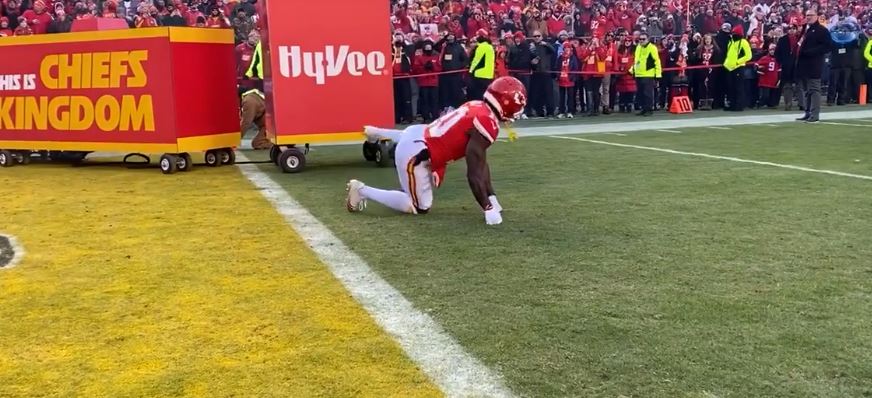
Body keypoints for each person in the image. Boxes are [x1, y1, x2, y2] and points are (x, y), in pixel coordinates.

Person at [346, 76, 528, 226]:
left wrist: (492, 198)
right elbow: (473, 172)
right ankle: (361, 190)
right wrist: (487, 208)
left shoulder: (477, 105)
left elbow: (481, 162)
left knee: (413, 135)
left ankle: (376, 133)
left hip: (418, 133)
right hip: (417, 152)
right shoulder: (487, 122)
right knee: (419, 206)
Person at [796, 9, 832, 123]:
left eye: (811, 15)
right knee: (808, 90)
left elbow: (827, 46)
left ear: (817, 16)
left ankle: (815, 114)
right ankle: (808, 113)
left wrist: (811, 52)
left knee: (815, 89)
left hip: (814, 63)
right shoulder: (806, 29)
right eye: (807, 15)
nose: (808, 17)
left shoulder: (822, 30)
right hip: (804, 64)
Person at [630, 32, 661, 116]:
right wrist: (632, 70)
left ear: (648, 39)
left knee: (648, 93)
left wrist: (658, 74)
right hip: (638, 74)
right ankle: (643, 108)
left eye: (643, 39)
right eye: (640, 39)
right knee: (640, 93)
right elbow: (636, 60)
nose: (641, 41)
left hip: (648, 74)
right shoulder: (638, 47)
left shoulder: (652, 48)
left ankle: (649, 109)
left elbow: (657, 61)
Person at [724, 25, 752, 111]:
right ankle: (732, 104)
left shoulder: (744, 42)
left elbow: (749, 56)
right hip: (729, 67)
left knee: (738, 87)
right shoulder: (731, 42)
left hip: (738, 67)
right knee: (731, 87)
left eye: (734, 33)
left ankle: (739, 105)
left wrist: (738, 62)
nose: (732, 35)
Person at [468, 29, 496, 101]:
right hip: (488, 74)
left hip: (479, 74)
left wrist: (471, 71)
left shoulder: (481, 47)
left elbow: (476, 60)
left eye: (477, 35)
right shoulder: (490, 47)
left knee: (477, 97)